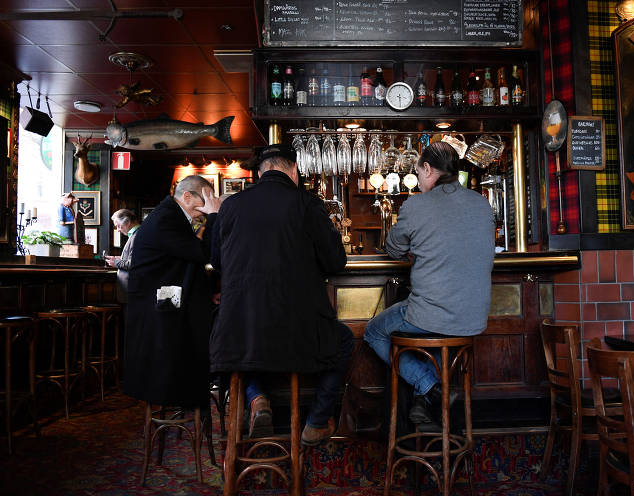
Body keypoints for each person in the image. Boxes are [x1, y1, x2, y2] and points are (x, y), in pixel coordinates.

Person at [209, 144, 352, 445]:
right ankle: (315, 422)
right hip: (298, 332)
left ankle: (258, 398)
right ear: (293, 170)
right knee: (343, 339)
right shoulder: (307, 203)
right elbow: (335, 262)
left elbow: (218, 263)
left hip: (238, 330)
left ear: (260, 172)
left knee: (244, 347)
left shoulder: (230, 206)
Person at [363, 141, 496, 427]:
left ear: (426, 168)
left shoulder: (416, 205)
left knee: (374, 332)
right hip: (473, 318)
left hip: (431, 314)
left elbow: (394, 249)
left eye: (419, 172)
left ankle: (432, 389)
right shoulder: (481, 203)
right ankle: (424, 405)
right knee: (435, 338)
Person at [123, 175, 222, 408]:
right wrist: (214, 215)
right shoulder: (167, 218)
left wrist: (208, 293)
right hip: (157, 314)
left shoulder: (171, 215)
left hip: (164, 306)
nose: (206, 207)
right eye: (206, 199)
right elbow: (203, 254)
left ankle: (194, 391)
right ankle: (193, 394)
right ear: (187, 196)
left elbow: (184, 263)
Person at [105, 209, 140, 304]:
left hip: (132, 290)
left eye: (118, 226)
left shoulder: (137, 236)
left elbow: (135, 263)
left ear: (128, 222)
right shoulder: (135, 235)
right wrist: (120, 258)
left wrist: (116, 262)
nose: (118, 230)